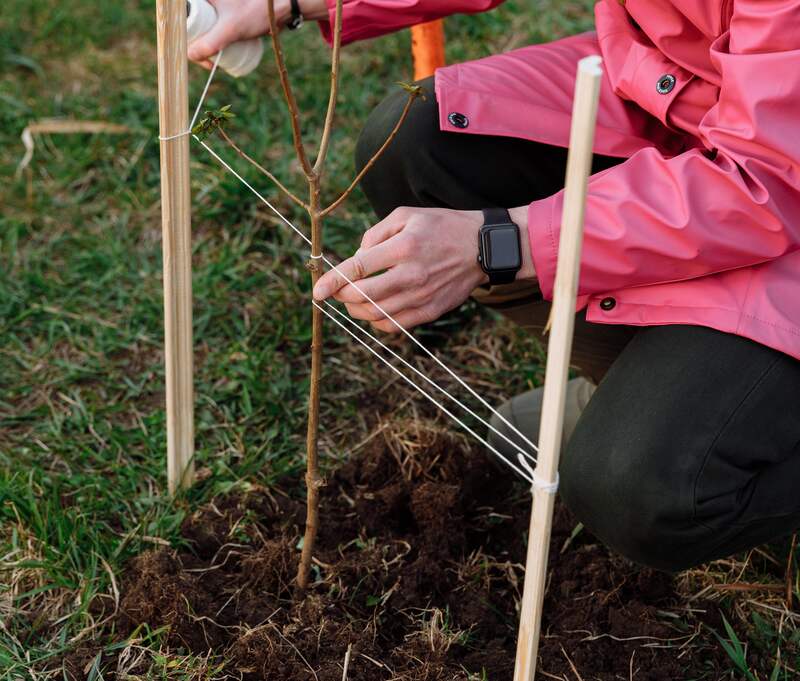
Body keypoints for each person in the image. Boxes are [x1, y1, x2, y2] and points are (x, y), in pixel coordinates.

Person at [189, 0, 800, 573]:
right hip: (683, 96)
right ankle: (656, 383)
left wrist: (501, 245)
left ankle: (717, 423)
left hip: (775, 175)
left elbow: (768, 178)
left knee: (644, 491)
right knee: (419, 146)